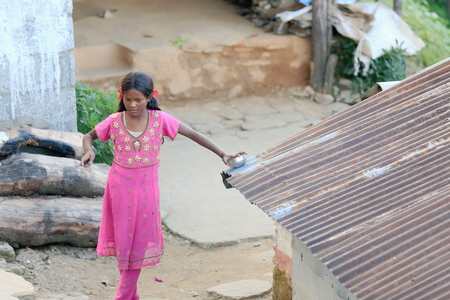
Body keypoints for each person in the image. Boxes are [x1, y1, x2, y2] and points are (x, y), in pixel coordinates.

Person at [80, 71, 246, 300]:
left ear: (150, 97)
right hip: (118, 189)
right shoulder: (114, 121)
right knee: (124, 239)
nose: (132, 104)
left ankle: (123, 295)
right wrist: (89, 150)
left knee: (137, 241)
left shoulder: (160, 120)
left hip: (147, 192)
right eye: (128, 99)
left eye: (138, 99)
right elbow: (89, 136)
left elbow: (193, 134)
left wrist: (222, 153)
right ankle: (130, 294)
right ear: (122, 97)